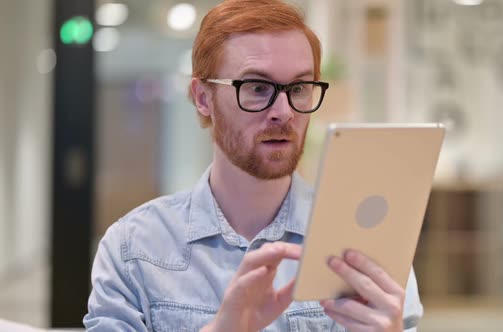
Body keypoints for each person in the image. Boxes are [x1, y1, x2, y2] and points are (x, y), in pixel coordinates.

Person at [83, 0, 423, 331]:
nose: (284, 112)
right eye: (258, 88)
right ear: (204, 98)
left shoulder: (367, 247)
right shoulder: (134, 251)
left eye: (300, 87)